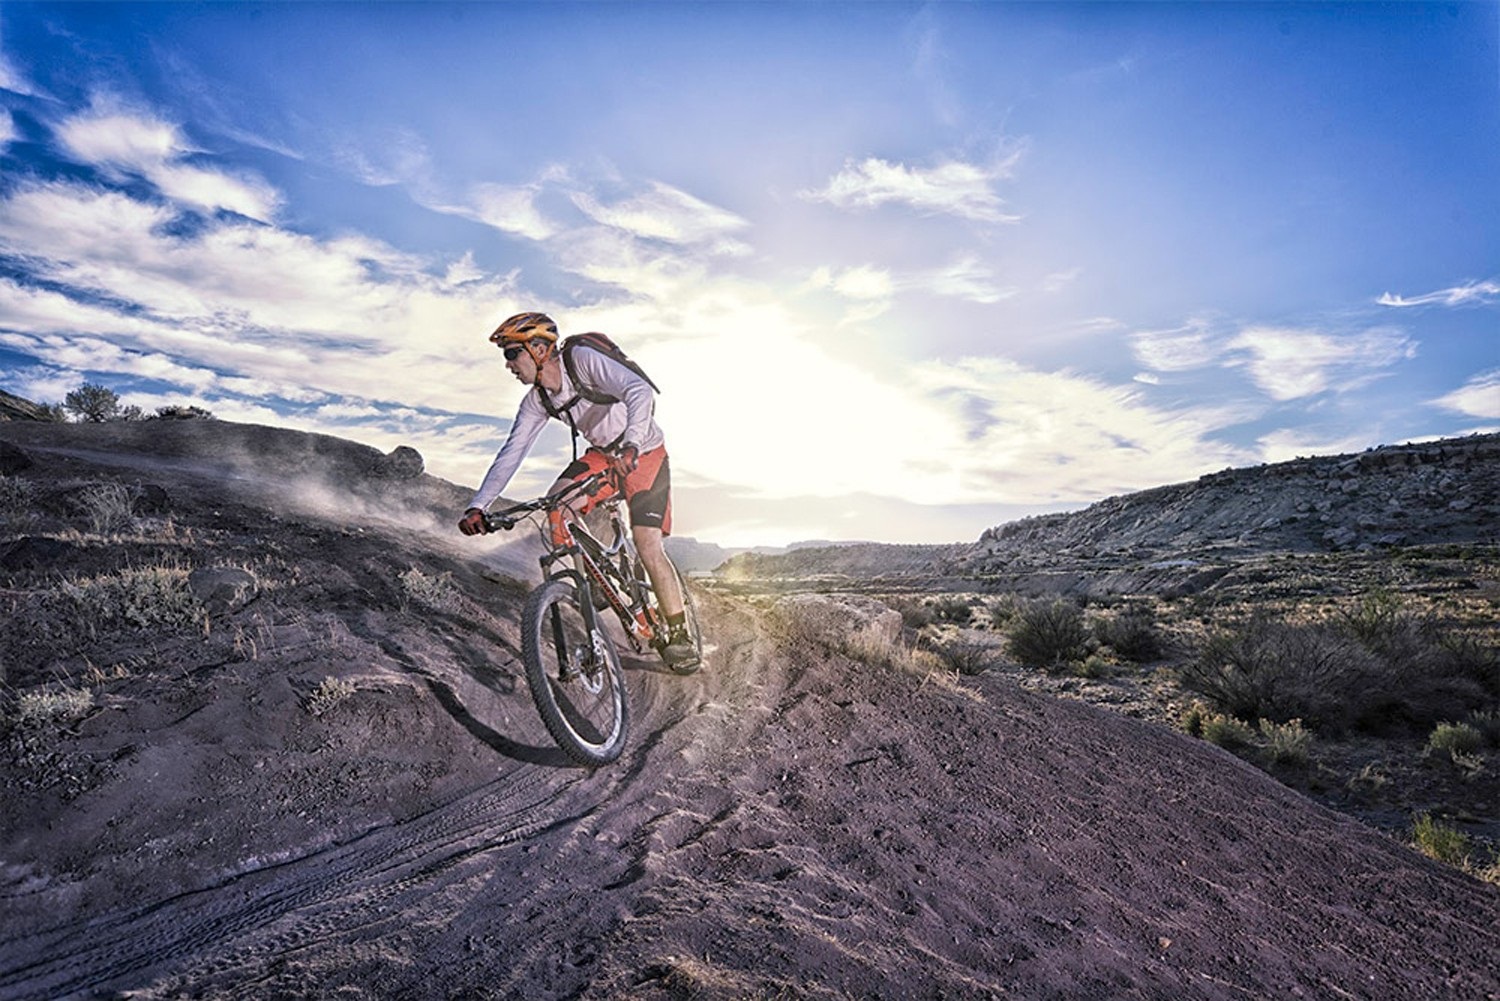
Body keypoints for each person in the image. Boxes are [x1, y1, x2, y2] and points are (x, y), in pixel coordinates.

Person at [458, 311, 697, 669]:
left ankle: (679, 636)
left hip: (644, 454)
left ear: (539, 349)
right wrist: (478, 506)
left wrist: (632, 443)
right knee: (558, 507)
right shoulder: (537, 401)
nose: (508, 365)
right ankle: (596, 579)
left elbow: (639, 390)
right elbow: (512, 452)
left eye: (512, 354)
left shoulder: (582, 361)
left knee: (647, 544)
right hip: (603, 457)